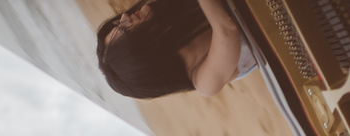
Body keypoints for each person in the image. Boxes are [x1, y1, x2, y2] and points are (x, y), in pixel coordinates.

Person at [96, 0, 257, 99]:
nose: (124, 16)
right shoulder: (203, 81)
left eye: (118, 24)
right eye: (124, 30)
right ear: (140, 54)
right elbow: (227, 29)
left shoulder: (174, 16)